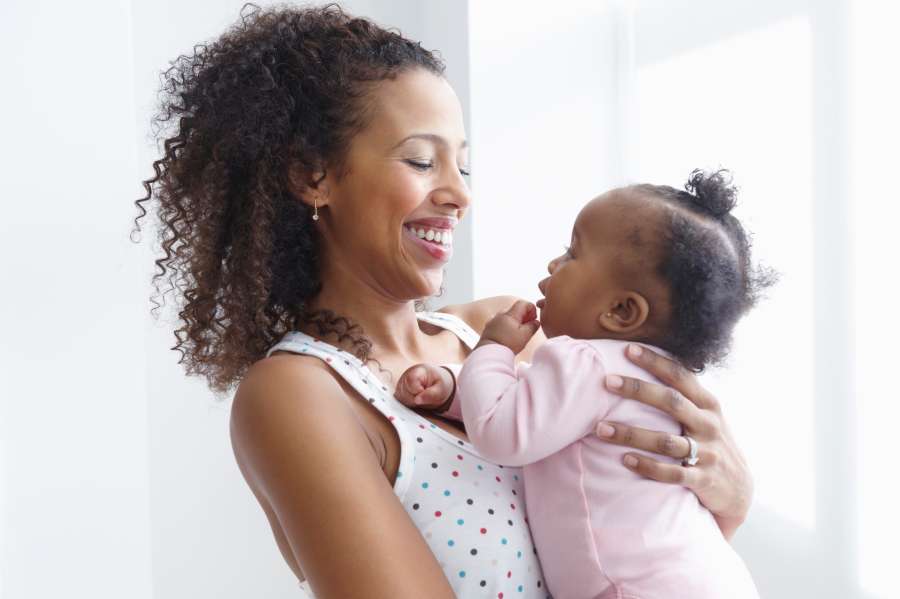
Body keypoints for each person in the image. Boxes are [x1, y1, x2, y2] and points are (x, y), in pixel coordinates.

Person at [131, 5, 755, 598]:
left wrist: (731, 495)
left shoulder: (501, 331)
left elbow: (639, 539)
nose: (459, 194)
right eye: (422, 160)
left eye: (464, 165)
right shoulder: (299, 394)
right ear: (312, 175)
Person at [394, 173, 773, 598]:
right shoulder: (646, 374)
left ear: (622, 311)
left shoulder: (585, 359)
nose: (554, 265)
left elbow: (503, 430)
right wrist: (452, 392)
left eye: (572, 253)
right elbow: (534, 404)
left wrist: (493, 348)